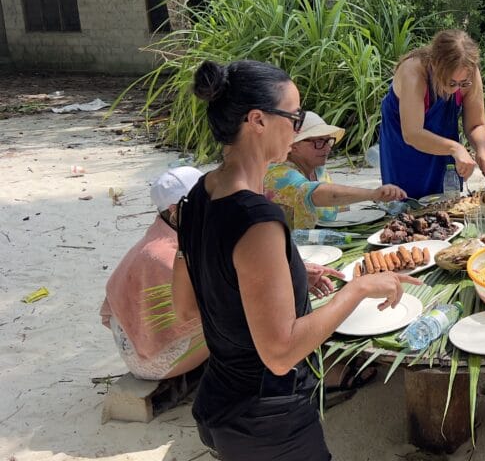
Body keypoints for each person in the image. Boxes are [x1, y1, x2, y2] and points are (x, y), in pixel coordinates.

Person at [173, 60, 421, 461]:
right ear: (257, 120)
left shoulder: (199, 193)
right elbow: (281, 352)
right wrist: (359, 289)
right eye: (294, 116)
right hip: (267, 419)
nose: (298, 128)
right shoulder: (257, 220)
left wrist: (278, 275)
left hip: (219, 402)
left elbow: (186, 304)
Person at [100, 166, 208, 380]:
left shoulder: (160, 237)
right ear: (176, 211)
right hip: (155, 361)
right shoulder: (166, 256)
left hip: (135, 350)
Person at [378, 29, 485, 199]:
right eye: (451, 83)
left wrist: (482, 149)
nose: (457, 89)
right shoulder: (413, 73)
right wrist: (456, 148)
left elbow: (476, 124)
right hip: (403, 148)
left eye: (463, 83)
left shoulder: (470, 73)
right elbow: (412, 134)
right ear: (435, 65)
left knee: (447, 201)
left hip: (444, 146)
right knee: (407, 206)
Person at [264, 111, 405, 229]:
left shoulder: (317, 170)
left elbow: (336, 205)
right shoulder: (280, 175)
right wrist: (372, 194)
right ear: (293, 146)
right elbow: (320, 194)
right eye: (319, 142)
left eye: (328, 141)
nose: (327, 148)